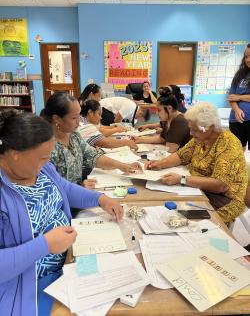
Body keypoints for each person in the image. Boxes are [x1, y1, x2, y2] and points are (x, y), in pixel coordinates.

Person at [0, 109, 123, 316]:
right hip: (31, 286)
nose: (47, 163)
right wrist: (44, 245)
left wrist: (99, 199)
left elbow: (64, 188)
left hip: (70, 260)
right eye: (43, 157)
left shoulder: (41, 169)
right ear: (15, 155)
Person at [145, 102, 248, 224]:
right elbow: (181, 156)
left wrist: (182, 179)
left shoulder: (229, 145)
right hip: (198, 188)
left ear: (210, 127)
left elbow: (221, 185)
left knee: (184, 222)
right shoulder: (201, 138)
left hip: (225, 198)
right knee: (166, 206)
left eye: (194, 130)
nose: (191, 134)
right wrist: (160, 163)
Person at [42, 92, 141, 190]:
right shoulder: (46, 148)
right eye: (74, 118)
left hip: (79, 193)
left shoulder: (74, 136)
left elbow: (93, 156)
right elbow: (49, 188)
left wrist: (123, 166)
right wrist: (79, 187)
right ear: (57, 119)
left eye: (78, 116)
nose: (78, 122)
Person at [228, 43, 250, 150]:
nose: (248, 60)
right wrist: (237, 110)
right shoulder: (240, 74)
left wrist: (240, 97)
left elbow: (236, 97)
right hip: (236, 120)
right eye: (246, 56)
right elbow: (231, 97)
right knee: (236, 151)